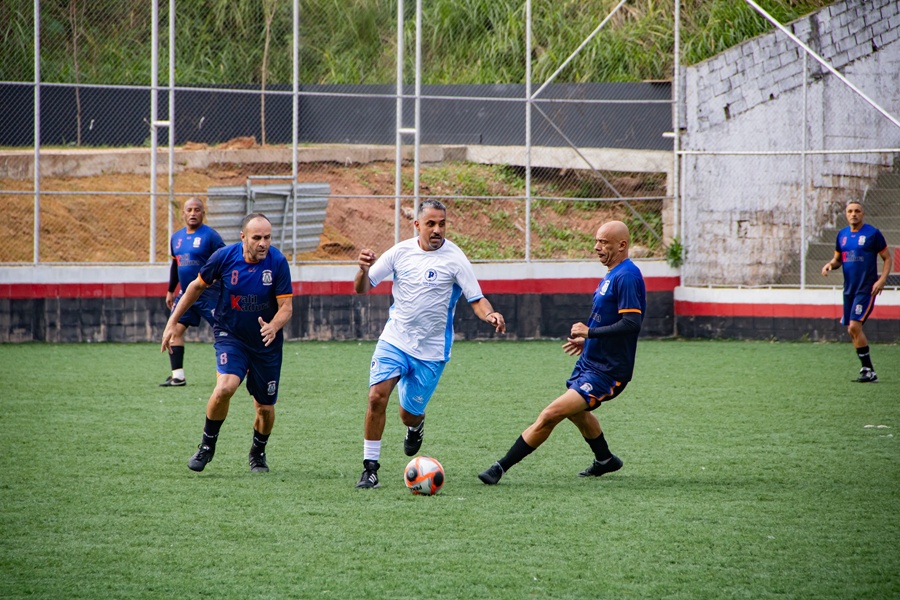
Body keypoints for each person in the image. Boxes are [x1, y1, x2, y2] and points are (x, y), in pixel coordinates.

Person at [353, 199, 506, 489]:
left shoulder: (455, 258)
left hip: (431, 352)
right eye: (431, 224)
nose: (437, 229)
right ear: (417, 225)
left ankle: (415, 425)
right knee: (376, 397)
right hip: (395, 340)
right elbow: (363, 287)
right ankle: (370, 470)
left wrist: (491, 314)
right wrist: (362, 269)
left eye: (442, 224)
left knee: (407, 413)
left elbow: (476, 298)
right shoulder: (400, 252)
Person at [478, 220, 645, 485]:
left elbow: (631, 324)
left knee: (550, 414)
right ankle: (605, 459)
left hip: (608, 371)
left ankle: (499, 468)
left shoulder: (627, 276)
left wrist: (590, 333)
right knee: (577, 412)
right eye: (597, 241)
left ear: (622, 245)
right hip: (591, 362)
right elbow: (608, 318)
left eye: (604, 242)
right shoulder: (613, 273)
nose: (596, 247)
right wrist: (587, 343)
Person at [161, 213, 293, 473]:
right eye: (257, 238)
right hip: (230, 335)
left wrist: (274, 326)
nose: (263, 243)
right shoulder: (224, 257)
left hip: (265, 342)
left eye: (267, 237)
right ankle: (206, 447)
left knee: (264, 408)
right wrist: (171, 322)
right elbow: (194, 288)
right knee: (225, 387)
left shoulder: (277, 262)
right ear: (243, 237)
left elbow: (286, 306)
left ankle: (258, 453)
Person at [821, 200, 892, 383]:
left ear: (863, 214)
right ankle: (867, 370)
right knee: (852, 331)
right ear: (846, 214)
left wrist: (882, 280)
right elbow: (838, 259)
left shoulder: (872, 234)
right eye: (850, 211)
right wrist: (830, 265)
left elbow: (887, 258)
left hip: (865, 289)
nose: (854, 214)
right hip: (849, 290)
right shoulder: (842, 235)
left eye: (857, 211)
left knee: (854, 326)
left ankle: (868, 370)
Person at [160, 197, 225, 386]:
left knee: (226, 331)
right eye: (189, 210)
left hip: (209, 294)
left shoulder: (211, 236)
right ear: (183, 213)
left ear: (203, 213)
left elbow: (225, 262)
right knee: (174, 330)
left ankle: (237, 368)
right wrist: (171, 290)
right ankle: (178, 376)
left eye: (197, 210)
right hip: (185, 295)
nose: (193, 213)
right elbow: (175, 265)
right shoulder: (176, 238)